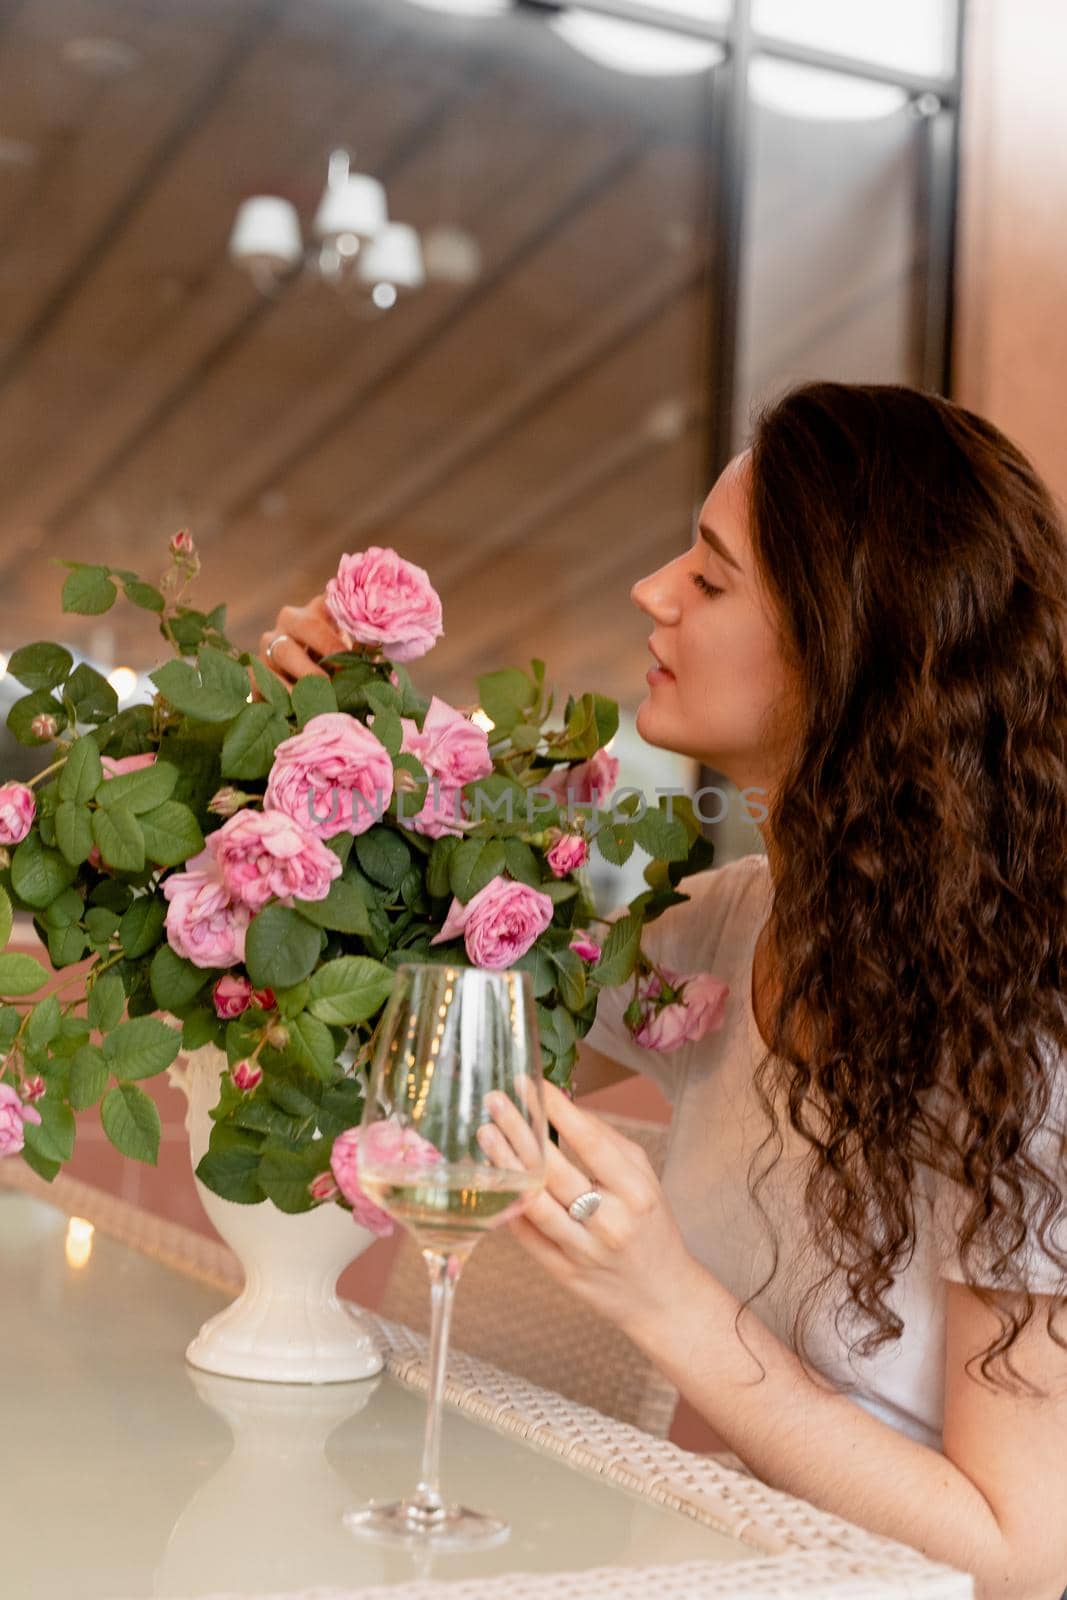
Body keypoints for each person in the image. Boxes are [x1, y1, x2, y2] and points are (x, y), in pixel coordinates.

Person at [259, 381, 1067, 1600]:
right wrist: (351, 753)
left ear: (842, 642)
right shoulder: (729, 927)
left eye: (709, 573)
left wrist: (666, 1302)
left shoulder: (1024, 1033)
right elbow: (442, 1031)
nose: (650, 591)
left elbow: (1023, 1556)